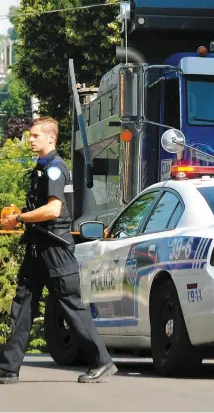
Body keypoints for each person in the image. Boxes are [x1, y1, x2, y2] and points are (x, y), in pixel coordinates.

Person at [0, 117, 117, 384]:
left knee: (70, 304)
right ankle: (8, 367)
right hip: (37, 246)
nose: (30, 140)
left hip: (54, 247)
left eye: (35, 136)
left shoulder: (55, 168)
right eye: (30, 135)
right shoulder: (42, 168)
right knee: (23, 304)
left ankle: (102, 361)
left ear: (51, 138)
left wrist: (19, 218)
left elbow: (53, 209)